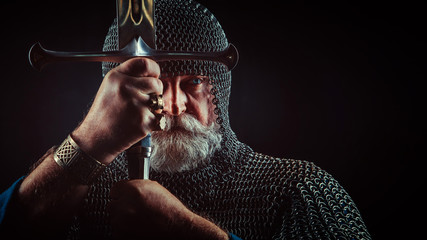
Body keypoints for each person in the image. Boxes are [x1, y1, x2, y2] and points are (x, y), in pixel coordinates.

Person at [0, 0, 371, 239]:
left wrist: (188, 232)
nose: (173, 105)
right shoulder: (80, 196)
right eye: (156, 83)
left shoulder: (296, 191)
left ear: (219, 90)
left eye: (193, 81)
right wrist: (90, 140)